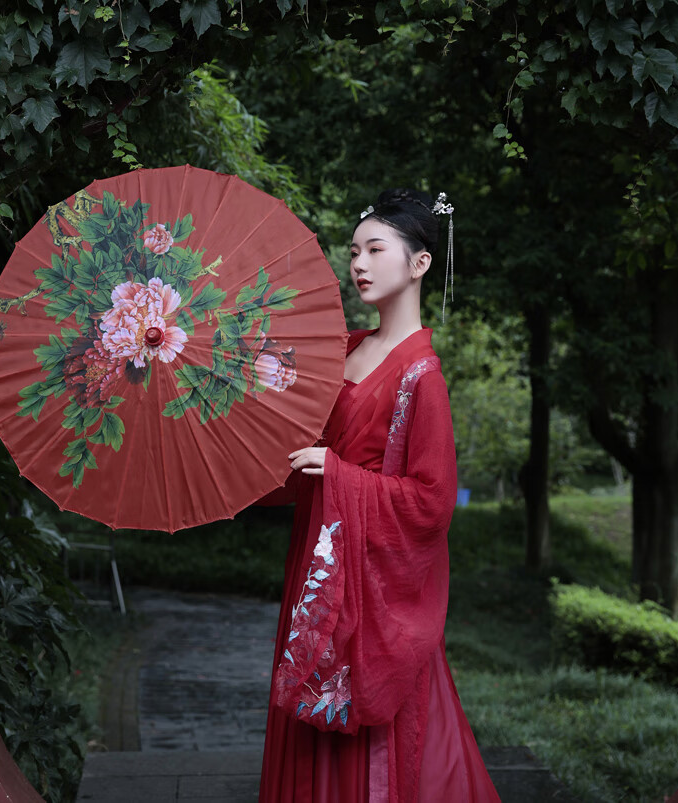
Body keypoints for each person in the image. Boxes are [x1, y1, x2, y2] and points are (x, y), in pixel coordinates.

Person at [257, 189, 501, 803]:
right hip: (316, 566)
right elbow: (289, 440)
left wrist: (337, 474)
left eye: (374, 249)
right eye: (353, 252)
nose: (358, 264)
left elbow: (431, 502)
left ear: (419, 264)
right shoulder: (343, 348)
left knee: (381, 737)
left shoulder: (423, 376)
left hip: (367, 580)